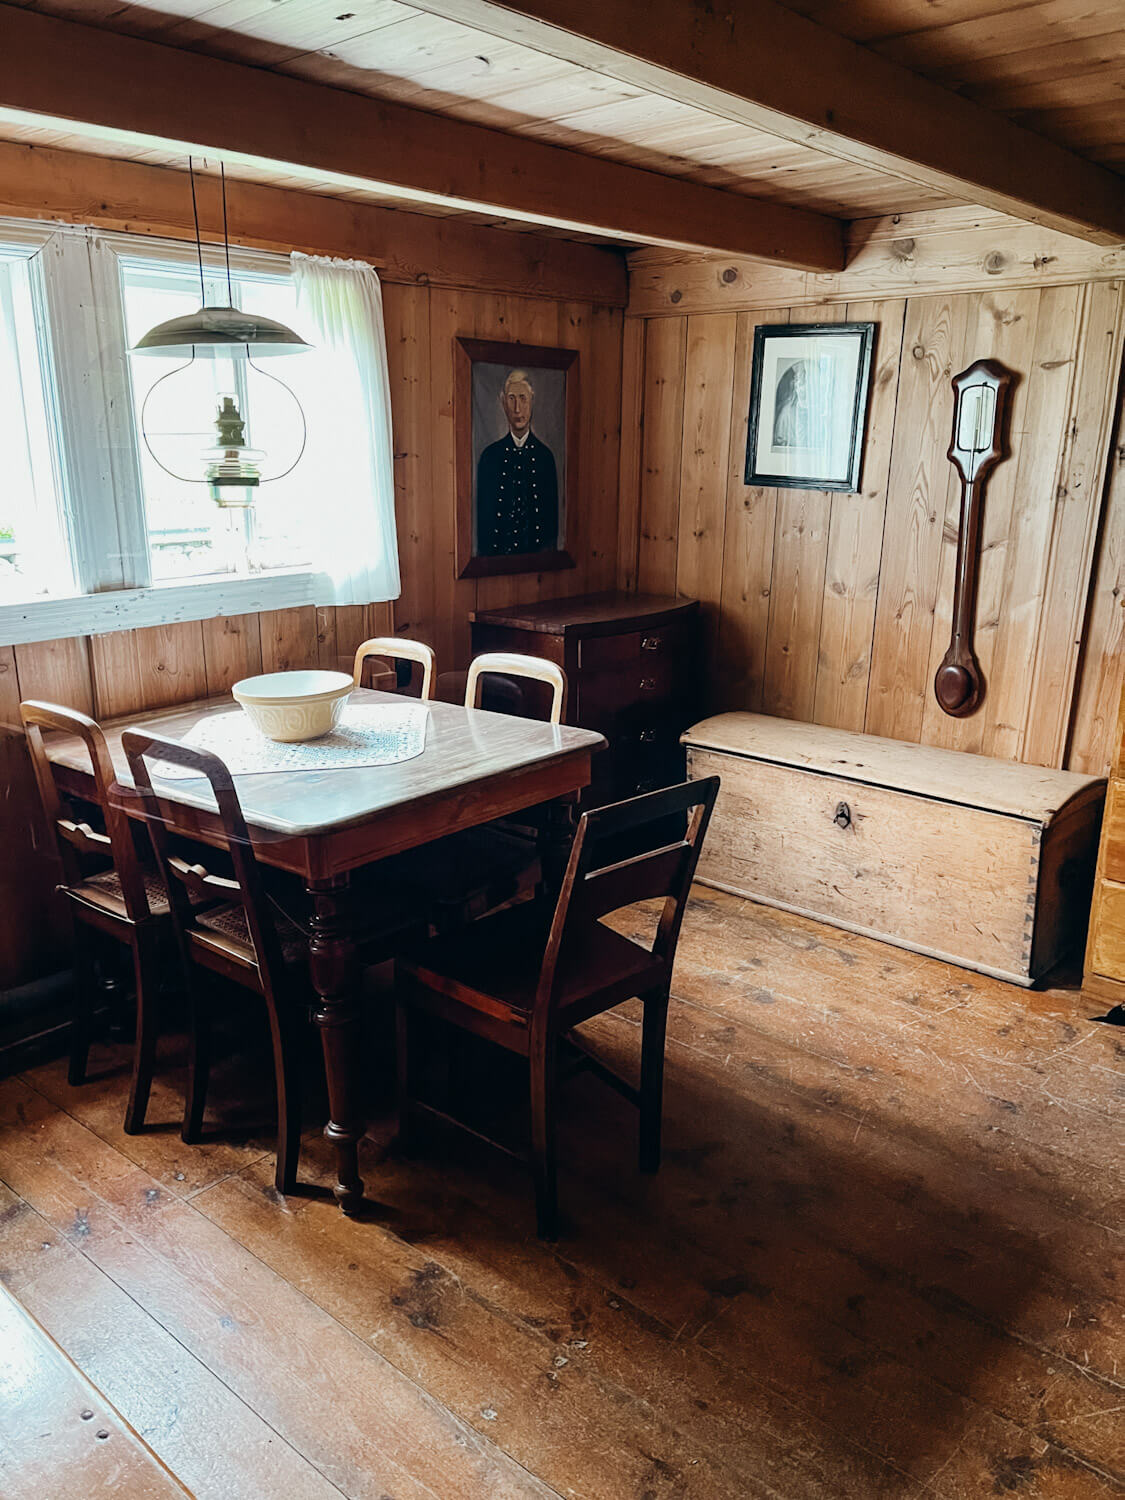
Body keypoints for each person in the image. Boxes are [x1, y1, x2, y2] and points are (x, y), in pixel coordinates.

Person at [476, 368, 559, 556]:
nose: (517, 409)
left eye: (523, 398)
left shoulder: (545, 458)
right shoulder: (489, 458)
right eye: (512, 399)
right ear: (503, 402)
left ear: (532, 401)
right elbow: (484, 529)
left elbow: (551, 529)